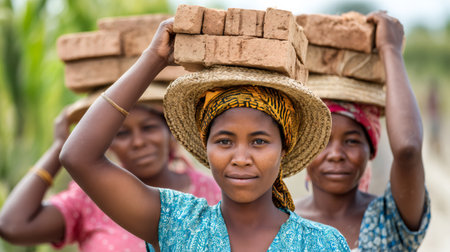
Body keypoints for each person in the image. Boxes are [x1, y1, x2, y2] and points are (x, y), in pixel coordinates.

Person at [58, 17, 350, 251]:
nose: (241, 158)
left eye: (259, 141)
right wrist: (152, 59)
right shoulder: (177, 223)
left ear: (283, 149)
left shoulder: (322, 243)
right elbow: (78, 157)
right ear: (205, 146)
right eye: (225, 141)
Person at [0, 83, 221, 251]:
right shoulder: (89, 198)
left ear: (171, 132)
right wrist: (59, 148)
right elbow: (13, 225)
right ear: (108, 144)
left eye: (149, 128)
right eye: (122, 134)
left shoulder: (214, 194)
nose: (138, 142)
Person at [295, 12, 430, 251]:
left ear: (371, 149)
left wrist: (390, 49)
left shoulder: (390, 221)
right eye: (323, 141)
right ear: (303, 148)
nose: (336, 154)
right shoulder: (282, 225)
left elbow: (408, 150)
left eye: (351, 141)